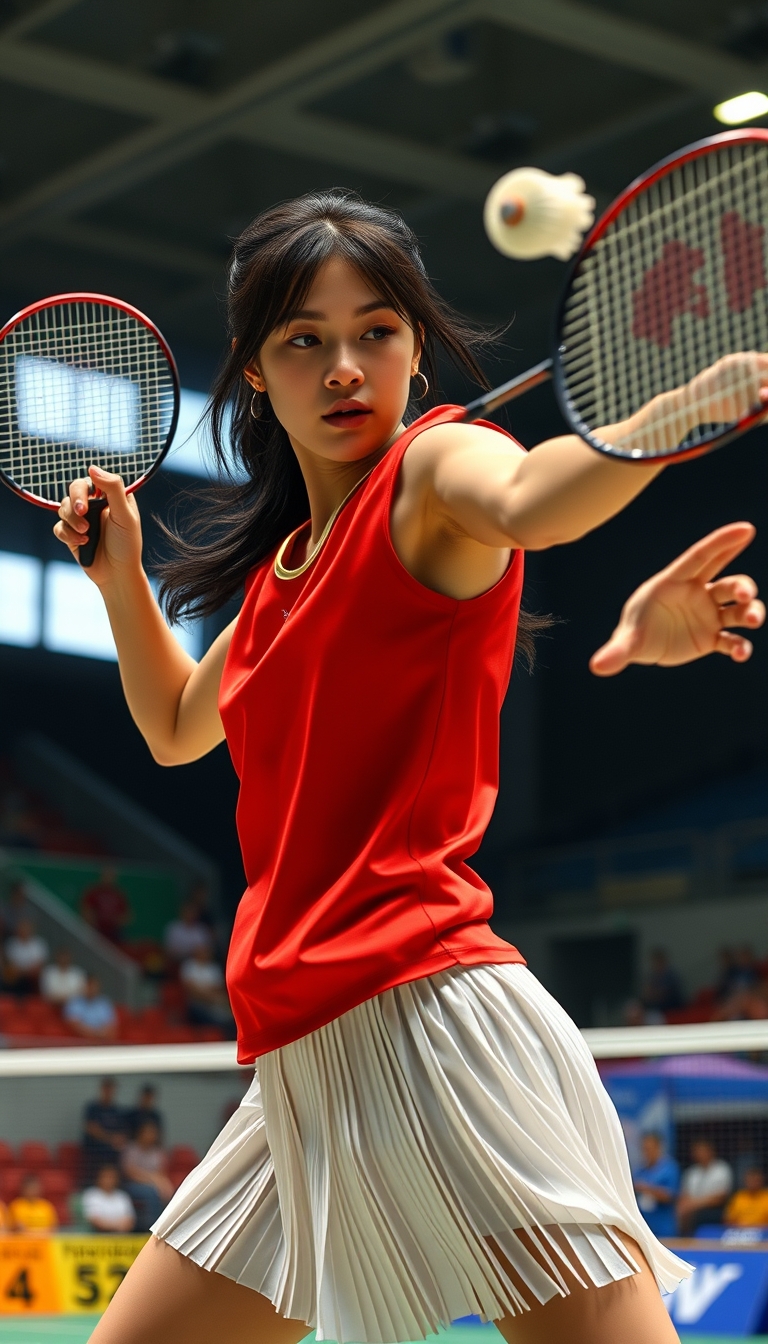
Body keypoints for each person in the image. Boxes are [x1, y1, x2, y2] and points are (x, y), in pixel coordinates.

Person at [54, 191, 767, 1344]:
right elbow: (180, 724)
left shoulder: (438, 472)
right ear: (253, 374)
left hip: (433, 1025)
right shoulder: (284, 573)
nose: (344, 366)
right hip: (301, 1066)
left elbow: (533, 501)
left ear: (415, 349)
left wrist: (686, 406)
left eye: (375, 331)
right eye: (305, 340)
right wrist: (120, 578)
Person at [121, 1121, 173, 1232]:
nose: (151, 1136)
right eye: (148, 1133)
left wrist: (165, 1184)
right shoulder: (132, 1149)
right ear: (141, 1133)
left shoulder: (157, 1152)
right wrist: (152, 1180)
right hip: (132, 1185)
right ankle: (152, 1229)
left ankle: (167, 1228)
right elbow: (130, 1172)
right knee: (151, 1193)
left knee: (168, 1191)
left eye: (153, 1133)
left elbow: (161, 1173)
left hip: (153, 1184)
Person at [677, 1138, 734, 1234]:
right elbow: (684, 1195)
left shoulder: (721, 1169)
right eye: (697, 1151)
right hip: (693, 1210)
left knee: (701, 1215)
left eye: (703, 1150)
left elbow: (720, 1198)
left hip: (715, 1210)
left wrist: (694, 1204)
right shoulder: (691, 1172)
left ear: (711, 1151)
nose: (700, 1154)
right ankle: (682, 1239)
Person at [633, 1133, 680, 1239]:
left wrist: (648, 1189)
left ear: (658, 1147)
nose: (647, 1152)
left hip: (664, 1228)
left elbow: (670, 1196)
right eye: (644, 1149)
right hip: (644, 1226)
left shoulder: (669, 1168)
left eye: (650, 1148)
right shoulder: (640, 1170)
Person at [82, 1077, 129, 1181]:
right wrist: (111, 1139)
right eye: (106, 1089)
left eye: (111, 1089)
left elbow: (122, 1135)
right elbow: (92, 1129)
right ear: (101, 1089)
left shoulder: (117, 1111)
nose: (109, 1092)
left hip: (112, 1156)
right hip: (94, 1154)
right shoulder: (93, 1108)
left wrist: (119, 1140)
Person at [179, 946, 233, 1031]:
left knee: (230, 1018)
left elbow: (217, 988)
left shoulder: (214, 968)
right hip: (196, 1003)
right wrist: (210, 998)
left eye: (206, 951)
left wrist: (214, 999)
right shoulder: (189, 966)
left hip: (213, 1003)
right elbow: (191, 989)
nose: (204, 954)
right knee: (215, 1021)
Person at [80, 867, 131, 945]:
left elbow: (127, 915)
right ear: (101, 876)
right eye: (106, 875)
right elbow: (86, 911)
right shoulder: (94, 891)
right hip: (97, 928)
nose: (109, 878)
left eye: (111, 875)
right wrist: (93, 923)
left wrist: (116, 921)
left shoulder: (118, 894)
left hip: (113, 931)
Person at [83, 1165, 136, 1233]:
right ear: (99, 1178)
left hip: (122, 1238)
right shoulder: (91, 1195)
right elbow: (95, 1221)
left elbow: (130, 1221)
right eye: (106, 1177)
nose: (109, 1180)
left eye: (112, 1177)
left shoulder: (122, 1196)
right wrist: (117, 1226)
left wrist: (115, 1226)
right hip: (97, 1237)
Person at [64, 974, 118, 1040]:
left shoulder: (104, 1003)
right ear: (84, 986)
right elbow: (73, 1025)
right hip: (80, 1042)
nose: (92, 989)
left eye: (94, 986)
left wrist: (100, 1035)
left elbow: (111, 1026)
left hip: (102, 1042)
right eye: (89, 985)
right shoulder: (74, 1002)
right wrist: (93, 1034)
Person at [3, 918, 49, 995]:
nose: (24, 930)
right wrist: (22, 971)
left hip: (32, 976)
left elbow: (39, 965)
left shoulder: (39, 944)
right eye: (22, 928)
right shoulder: (11, 944)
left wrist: (25, 971)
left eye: (26, 928)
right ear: (18, 929)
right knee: (10, 973)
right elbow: (11, 965)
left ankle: (34, 999)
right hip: (16, 976)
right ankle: (11, 997)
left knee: (40, 974)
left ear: (31, 929)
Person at [641, 949, 684, 1016]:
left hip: (672, 1006)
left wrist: (652, 994)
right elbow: (646, 994)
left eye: (658, 961)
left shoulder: (670, 975)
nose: (656, 964)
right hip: (656, 1006)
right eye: (654, 961)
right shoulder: (653, 976)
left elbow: (662, 994)